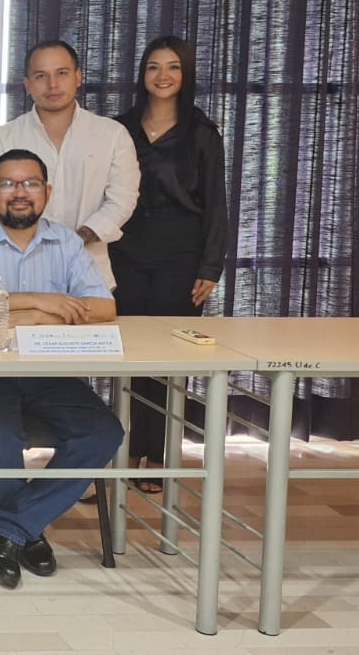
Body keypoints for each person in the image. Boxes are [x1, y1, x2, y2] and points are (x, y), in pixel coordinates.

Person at [0, 148, 124, 590]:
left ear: (46, 191)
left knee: (103, 433)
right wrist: (34, 300)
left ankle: (8, 527)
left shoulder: (67, 242)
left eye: (30, 183)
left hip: (48, 368)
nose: (19, 193)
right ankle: (26, 530)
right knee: (1, 435)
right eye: (8, 184)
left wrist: (42, 319)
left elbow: (104, 306)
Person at [111, 36, 230, 491]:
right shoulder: (119, 129)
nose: (163, 76)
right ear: (142, 75)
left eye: (173, 67)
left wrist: (210, 267)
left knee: (165, 359)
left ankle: (158, 457)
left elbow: (216, 205)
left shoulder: (202, 132)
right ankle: (126, 450)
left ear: (186, 75)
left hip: (182, 257)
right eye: (154, 67)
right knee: (130, 358)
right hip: (125, 253)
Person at [0, 40, 139, 292]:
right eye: (41, 76)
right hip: (18, 273)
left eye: (62, 73)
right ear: (27, 85)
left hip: (90, 271)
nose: (52, 84)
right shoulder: (4, 138)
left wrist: (75, 241)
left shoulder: (112, 134)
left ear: (78, 77)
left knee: (87, 331)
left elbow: (123, 199)